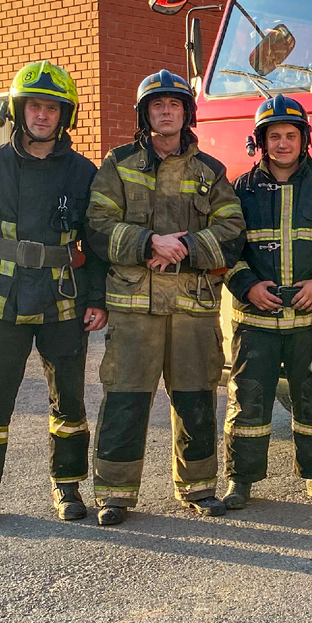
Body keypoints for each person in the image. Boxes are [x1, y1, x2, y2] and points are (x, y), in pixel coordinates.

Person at [0, 61, 107, 528]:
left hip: (64, 298)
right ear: (19, 111)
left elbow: (95, 245)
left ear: (65, 116)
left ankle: (68, 487)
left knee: (70, 402)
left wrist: (95, 299)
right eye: (34, 105)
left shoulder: (83, 172)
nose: (42, 115)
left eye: (52, 108)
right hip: (2, 294)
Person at [87, 70, 246, 526]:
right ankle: (115, 494)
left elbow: (232, 230)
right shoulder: (118, 165)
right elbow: (97, 225)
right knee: (125, 399)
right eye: (157, 105)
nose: (166, 111)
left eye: (175, 104)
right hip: (134, 308)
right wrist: (148, 243)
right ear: (144, 113)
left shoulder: (210, 171)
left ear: (186, 112)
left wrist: (186, 248)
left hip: (193, 306)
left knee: (196, 399)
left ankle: (197, 488)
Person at [222, 94, 312, 509]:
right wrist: (247, 286)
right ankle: (241, 481)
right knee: (248, 402)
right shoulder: (238, 191)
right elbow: (226, 250)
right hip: (256, 321)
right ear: (261, 141)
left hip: (310, 321)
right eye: (274, 135)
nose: (283, 143)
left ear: (304, 140)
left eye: (290, 135)